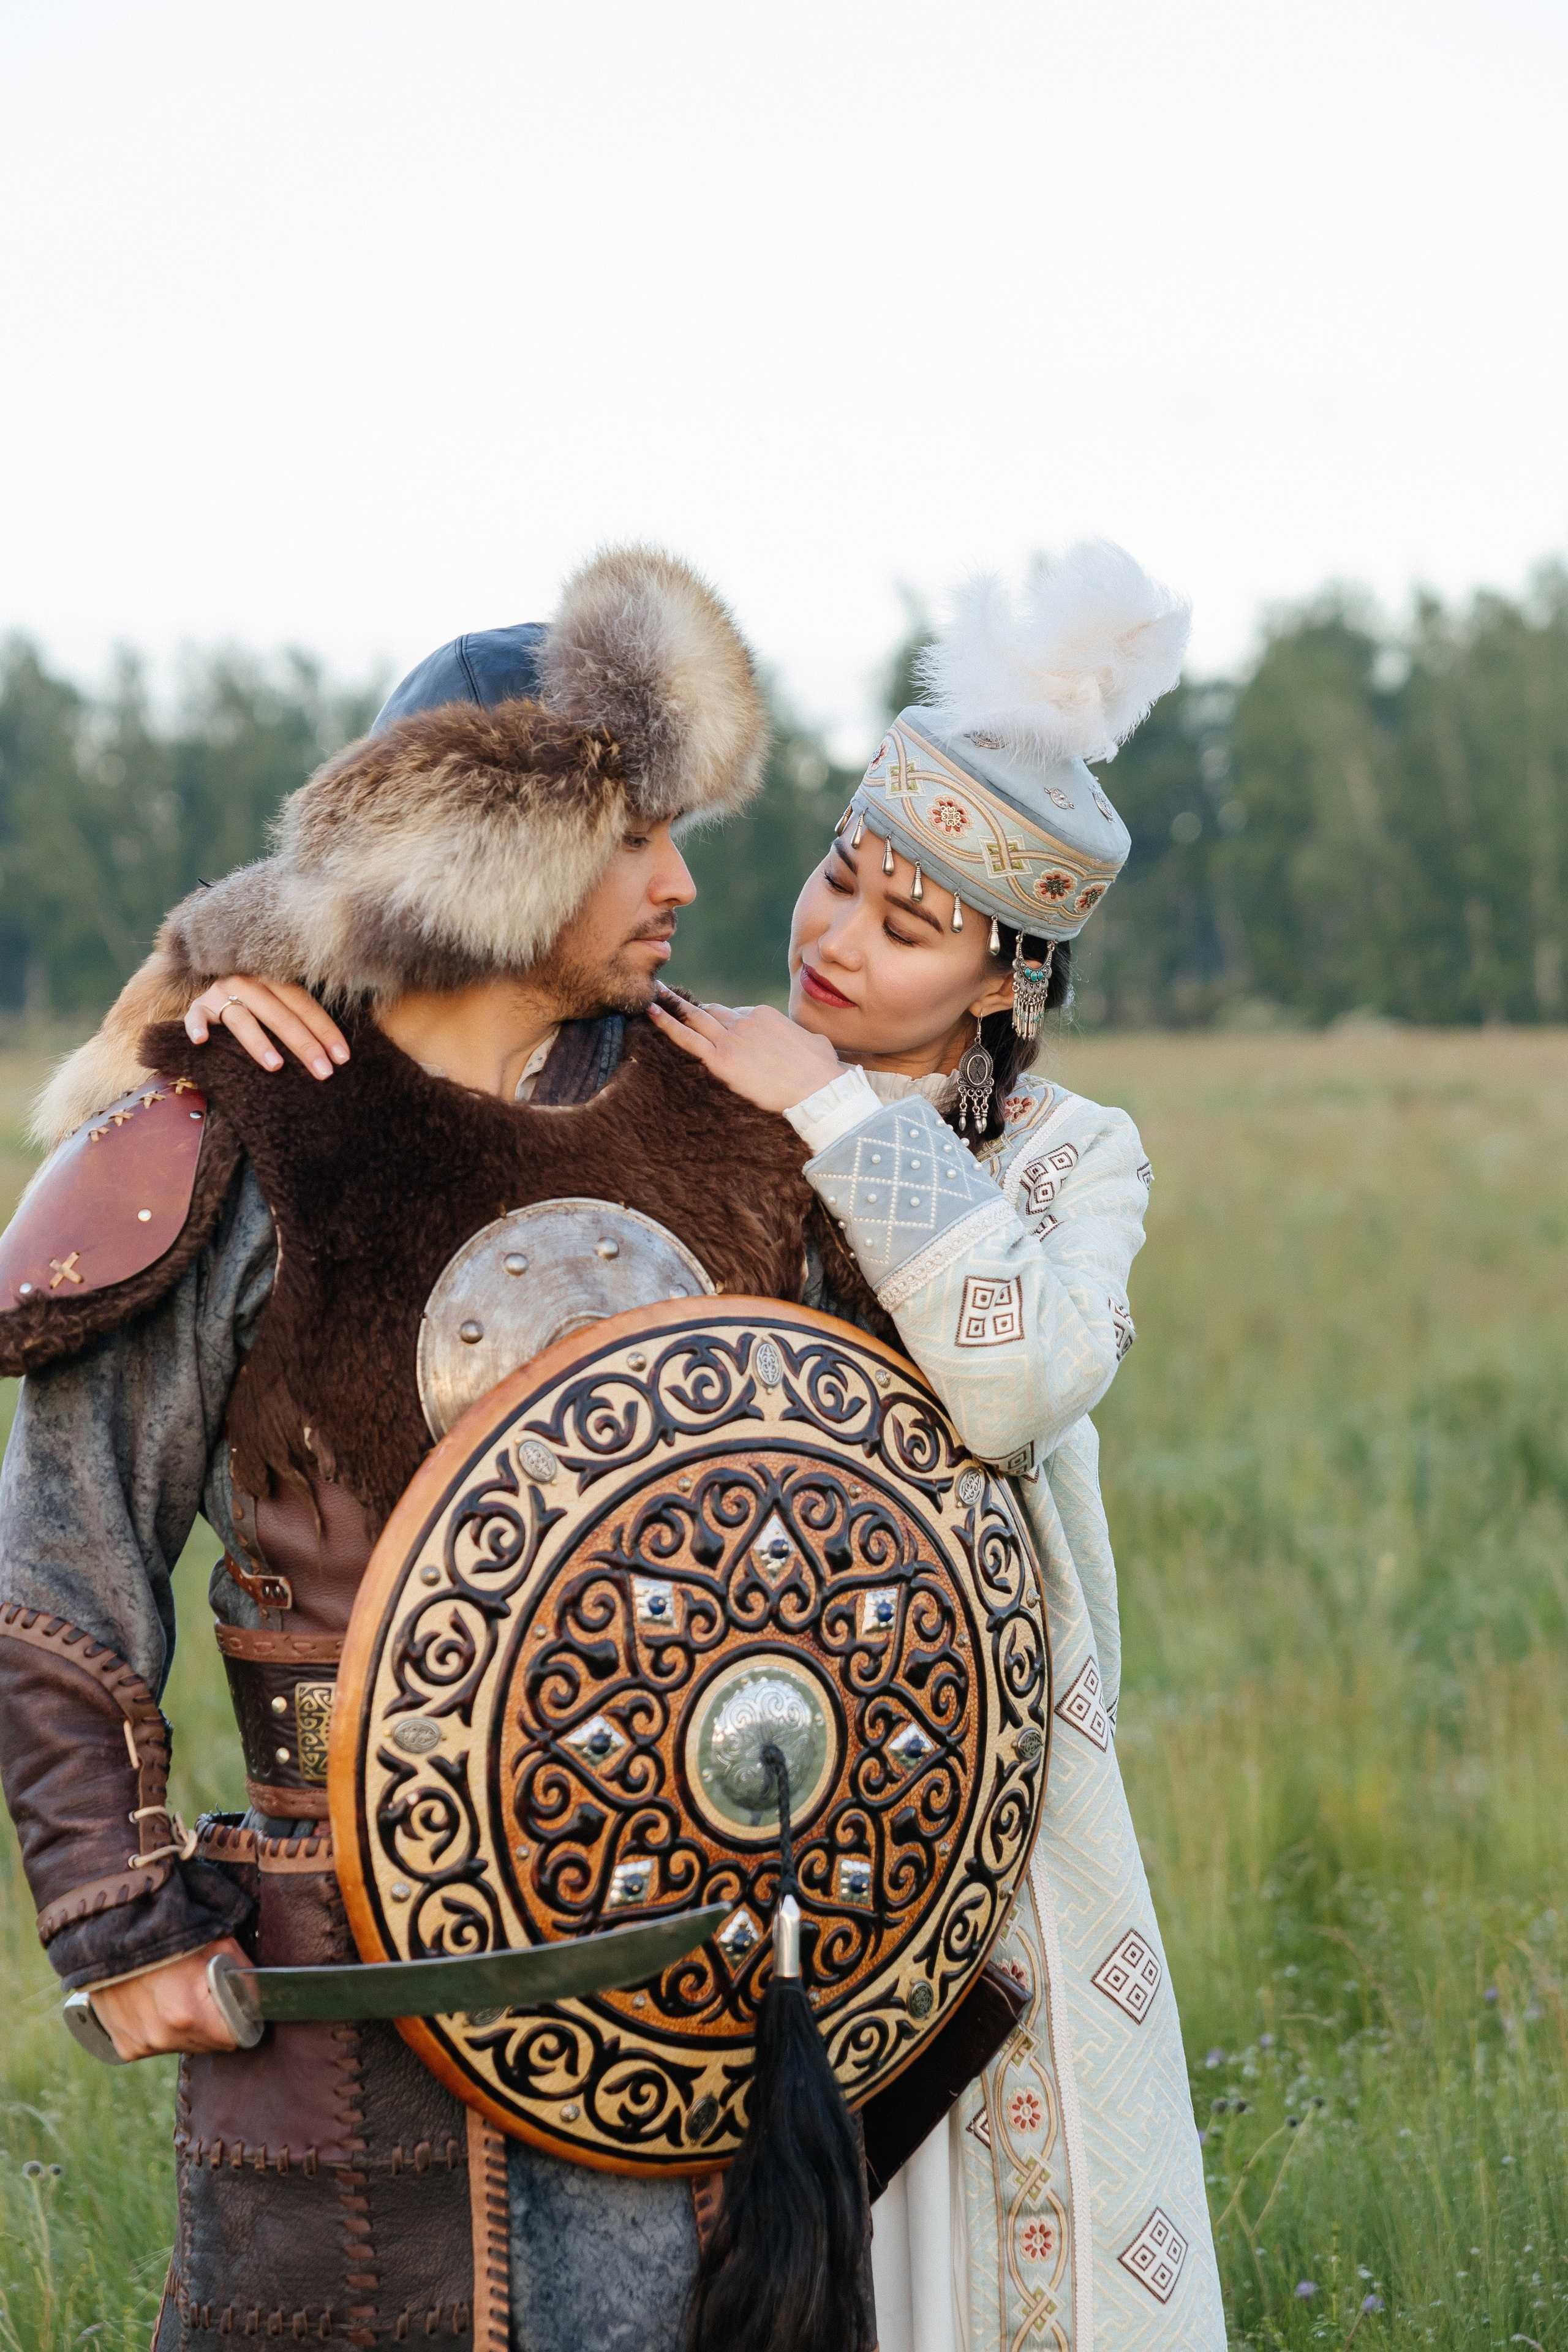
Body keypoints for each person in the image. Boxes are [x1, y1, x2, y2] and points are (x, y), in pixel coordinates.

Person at [159, 541, 1227, 2350]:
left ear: (1004, 980)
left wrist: (827, 1114)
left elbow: (1024, 1377)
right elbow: (442, 970)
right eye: (836, 878)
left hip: (959, 1757)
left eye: (906, 926)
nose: (828, 936)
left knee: (993, 2241)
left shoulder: (1068, 1155)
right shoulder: (693, 1068)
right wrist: (217, 988)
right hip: (703, 1769)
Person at [0, 545, 890, 2347]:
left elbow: (858, 1509)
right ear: (506, 855)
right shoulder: (241, 1138)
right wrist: (122, 1912)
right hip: (344, 1965)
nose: (685, 882)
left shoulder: (732, 1128)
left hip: (679, 1937)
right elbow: (63, 1550)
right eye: (640, 834)